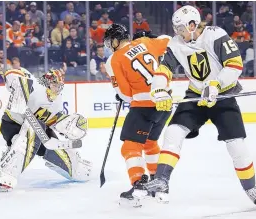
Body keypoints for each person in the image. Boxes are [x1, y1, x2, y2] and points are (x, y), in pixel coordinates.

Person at [145, 5, 256, 205]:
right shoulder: (176, 43)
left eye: (180, 28)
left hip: (223, 97)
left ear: (193, 24)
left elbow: (235, 64)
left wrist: (216, 84)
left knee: (237, 147)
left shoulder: (215, 35)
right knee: (173, 132)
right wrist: (160, 89)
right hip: (196, 95)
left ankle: (252, 188)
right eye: (176, 29)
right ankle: (162, 179)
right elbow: (164, 69)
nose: (177, 33)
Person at [0, 66, 92, 191]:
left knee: (57, 151)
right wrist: (17, 85)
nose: (58, 88)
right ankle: (5, 173)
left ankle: (75, 166)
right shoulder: (34, 85)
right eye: (55, 84)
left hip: (39, 129)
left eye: (60, 86)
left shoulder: (57, 100)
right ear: (48, 81)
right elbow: (13, 72)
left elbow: (53, 121)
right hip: (13, 125)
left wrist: (67, 125)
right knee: (27, 137)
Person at [103, 23, 171, 207]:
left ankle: (139, 186)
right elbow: (171, 42)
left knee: (130, 148)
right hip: (165, 102)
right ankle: (159, 184)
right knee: (149, 143)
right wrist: (153, 37)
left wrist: (119, 93)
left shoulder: (114, 60)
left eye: (110, 42)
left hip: (144, 106)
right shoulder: (145, 41)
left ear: (116, 40)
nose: (110, 46)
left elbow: (126, 94)